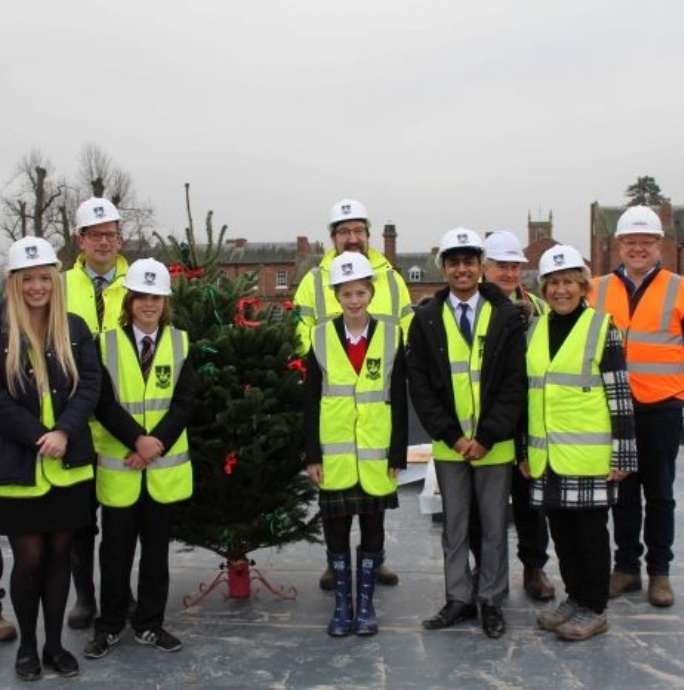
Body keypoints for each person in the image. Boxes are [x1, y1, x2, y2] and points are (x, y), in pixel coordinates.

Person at [407, 228, 527, 639]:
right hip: (449, 445)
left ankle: (491, 600)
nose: (462, 269)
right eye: (454, 261)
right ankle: (458, 598)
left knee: (494, 528)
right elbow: (420, 387)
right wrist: (454, 437)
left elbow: (515, 384)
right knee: (454, 527)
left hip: (494, 446)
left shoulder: (509, 316)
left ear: (480, 266)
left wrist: (487, 436)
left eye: (469, 261)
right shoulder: (424, 319)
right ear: (444, 267)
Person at [294, 199, 413, 591]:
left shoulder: (392, 278)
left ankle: (372, 564)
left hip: (378, 417)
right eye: (343, 231)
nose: (351, 238)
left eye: (358, 230)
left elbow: (406, 326)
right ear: (332, 237)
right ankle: (337, 566)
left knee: (374, 509)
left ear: (368, 234)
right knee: (337, 512)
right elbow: (302, 333)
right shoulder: (313, 280)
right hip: (335, 423)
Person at [84, 259, 195, 659]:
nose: (149, 304)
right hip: (121, 469)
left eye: (156, 297)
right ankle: (109, 626)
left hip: (160, 470)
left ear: (165, 302)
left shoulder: (180, 343)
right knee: (114, 553)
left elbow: (184, 404)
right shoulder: (105, 343)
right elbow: (102, 402)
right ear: (130, 300)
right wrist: (135, 439)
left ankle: (150, 624)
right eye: (142, 296)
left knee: (156, 554)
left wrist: (155, 444)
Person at [524, 245, 637, 641]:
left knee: (590, 535)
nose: (560, 291)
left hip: (589, 455)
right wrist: (525, 450)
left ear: (583, 286)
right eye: (553, 283)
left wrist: (623, 453)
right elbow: (529, 394)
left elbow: (620, 395)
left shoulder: (602, 328)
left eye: (568, 282)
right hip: (548, 455)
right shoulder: (535, 329)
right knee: (562, 534)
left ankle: (595, 608)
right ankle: (574, 598)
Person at [0, 237, 100, 680]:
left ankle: (56, 645)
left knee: (61, 555)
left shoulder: (75, 328)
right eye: (28, 279)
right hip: (19, 468)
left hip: (68, 464)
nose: (37, 287)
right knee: (29, 561)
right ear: (14, 283)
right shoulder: (2, 330)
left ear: (55, 282)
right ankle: (27, 647)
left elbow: (91, 386)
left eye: (45, 278)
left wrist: (64, 431)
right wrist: (40, 436)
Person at [303, 251, 407, 637]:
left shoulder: (392, 336)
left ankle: (365, 606)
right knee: (336, 531)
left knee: (373, 530)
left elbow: (399, 397)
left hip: (378, 455)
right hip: (334, 456)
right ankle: (342, 606)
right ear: (336, 295)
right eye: (346, 294)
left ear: (371, 292)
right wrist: (311, 454)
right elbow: (310, 399)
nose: (354, 301)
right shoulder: (320, 337)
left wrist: (398, 452)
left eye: (361, 292)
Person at [588, 205, 684, 608]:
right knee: (621, 491)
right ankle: (626, 567)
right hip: (615, 409)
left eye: (646, 241)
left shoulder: (678, 289)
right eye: (631, 242)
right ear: (618, 246)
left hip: (662, 407)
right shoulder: (596, 288)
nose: (639, 248)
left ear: (659, 245)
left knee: (660, 494)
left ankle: (659, 572)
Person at [472, 230, 555, 601]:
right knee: (481, 501)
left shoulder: (539, 309)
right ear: (483, 268)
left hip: (527, 419)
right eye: (500, 266)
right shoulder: (472, 309)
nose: (508, 273)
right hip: (486, 419)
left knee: (530, 500)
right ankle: (483, 567)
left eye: (514, 266)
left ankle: (534, 567)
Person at [64, 196, 131, 629]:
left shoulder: (138, 281)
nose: (105, 242)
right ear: (80, 240)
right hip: (76, 419)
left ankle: (119, 591)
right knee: (80, 518)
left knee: (121, 518)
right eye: (96, 235)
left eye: (111, 234)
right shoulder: (60, 285)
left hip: (124, 417)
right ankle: (85, 596)